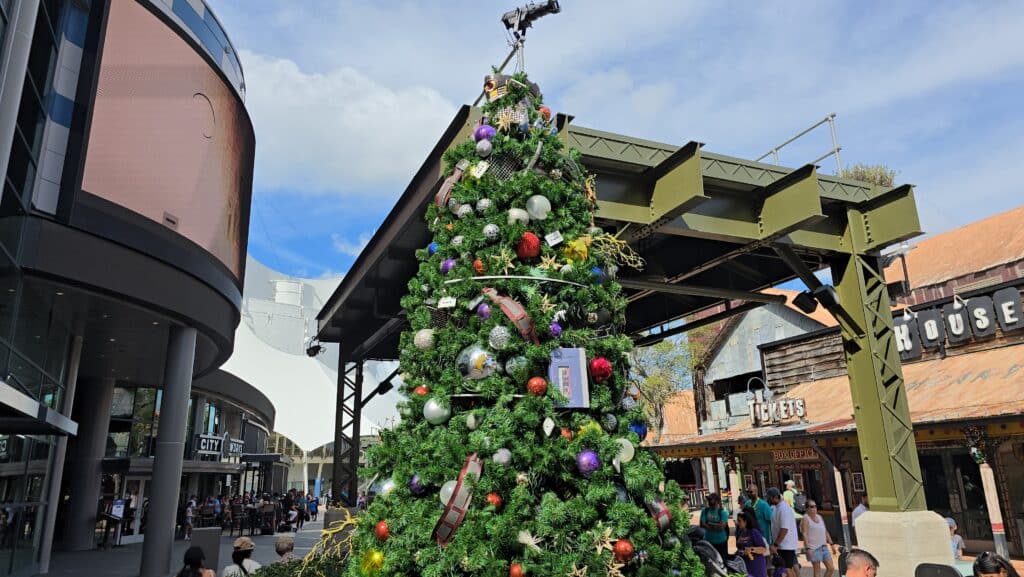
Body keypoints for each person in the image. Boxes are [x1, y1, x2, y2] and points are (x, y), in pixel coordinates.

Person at [766, 487, 800, 577]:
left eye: (769, 498)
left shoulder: (784, 509)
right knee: (785, 569)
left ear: (775, 497)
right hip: (781, 545)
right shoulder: (776, 508)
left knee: (787, 569)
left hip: (786, 545)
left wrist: (776, 544)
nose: (768, 500)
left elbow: (784, 529)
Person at [801, 500, 835, 577]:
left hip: (823, 547)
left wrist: (831, 544)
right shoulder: (806, 518)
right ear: (807, 509)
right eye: (812, 506)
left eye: (815, 506)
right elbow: (805, 534)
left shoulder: (820, 517)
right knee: (817, 572)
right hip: (814, 548)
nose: (814, 508)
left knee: (831, 568)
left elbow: (825, 531)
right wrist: (808, 548)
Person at [736, 508, 769, 577]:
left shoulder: (754, 532)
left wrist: (751, 549)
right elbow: (740, 548)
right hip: (745, 565)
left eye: (739, 521)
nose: (737, 523)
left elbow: (763, 549)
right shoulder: (740, 533)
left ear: (746, 521)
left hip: (756, 566)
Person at [700, 493, 730, 560]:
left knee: (723, 561)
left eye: (711, 499)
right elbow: (703, 524)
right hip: (709, 542)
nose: (709, 501)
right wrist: (717, 525)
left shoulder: (722, 512)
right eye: (709, 499)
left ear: (717, 501)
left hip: (721, 542)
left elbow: (722, 527)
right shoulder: (705, 511)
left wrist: (709, 523)